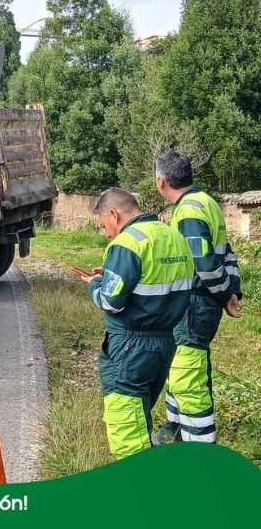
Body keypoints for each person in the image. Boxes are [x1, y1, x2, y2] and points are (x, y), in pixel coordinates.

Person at [78, 188, 193, 458]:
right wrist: (112, 273)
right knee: (141, 417)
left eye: (104, 225)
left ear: (114, 214)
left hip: (130, 346)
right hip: (164, 342)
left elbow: (110, 301)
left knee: (127, 429)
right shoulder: (173, 236)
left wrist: (95, 283)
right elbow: (153, 280)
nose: (106, 233)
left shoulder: (127, 243)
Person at [154, 151, 242, 444]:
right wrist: (231, 291)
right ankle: (175, 432)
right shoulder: (207, 203)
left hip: (193, 304)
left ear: (161, 182)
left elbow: (203, 262)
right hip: (201, 304)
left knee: (187, 378)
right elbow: (226, 252)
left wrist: (223, 294)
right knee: (182, 369)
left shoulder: (189, 210)